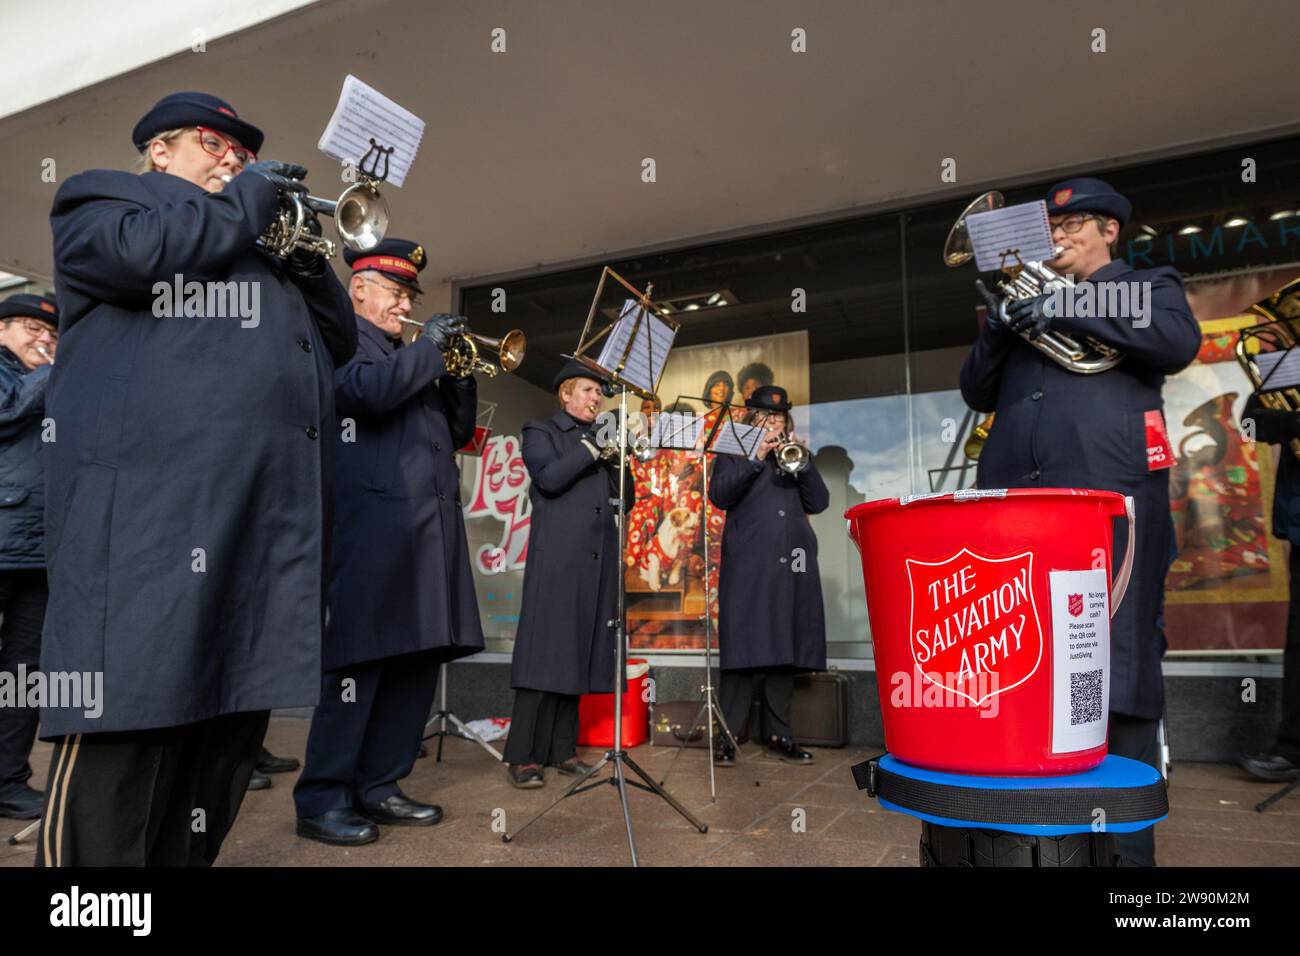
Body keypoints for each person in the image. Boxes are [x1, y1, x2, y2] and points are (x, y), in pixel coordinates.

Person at [37, 91, 356, 866]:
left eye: (243, 153)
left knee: (220, 739)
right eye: (215, 144)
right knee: (130, 725)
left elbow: (339, 343)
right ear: (159, 150)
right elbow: (141, 258)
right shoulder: (106, 197)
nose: (233, 159)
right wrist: (248, 197)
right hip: (150, 524)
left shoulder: (258, 252)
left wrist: (307, 260)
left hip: (255, 523)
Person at [959, 177, 1201, 865]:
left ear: (1109, 232)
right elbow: (976, 391)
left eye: (1073, 228)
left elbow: (1176, 341)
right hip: (1016, 504)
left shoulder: (1148, 285)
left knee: (1117, 660)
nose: (1058, 238)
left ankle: (1123, 853)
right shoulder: (1019, 299)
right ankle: (1038, 831)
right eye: (1051, 232)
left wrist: (1064, 307)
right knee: (1027, 659)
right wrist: (1004, 323)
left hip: (1110, 497)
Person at [294, 239, 484, 845]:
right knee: (360, 661)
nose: (405, 304)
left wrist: (457, 372)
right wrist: (430, 349)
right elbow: (366, 394)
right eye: (396, 292)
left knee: (413, 661)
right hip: (370, 531)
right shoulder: (339, 338)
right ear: (359, 289)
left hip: (426, 536)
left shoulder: (411, 356)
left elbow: (455, 432)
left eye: (410, 296)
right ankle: (324, 796)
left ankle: (381, 785)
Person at [503, 360, 630, 787]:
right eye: (590, 391)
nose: (597, 399)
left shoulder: (600, 443)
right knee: (543, 655)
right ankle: (523, 756)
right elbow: (551, 479)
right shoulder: (541, 431)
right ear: (566, 394)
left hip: (595, 561)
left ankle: (561, 750)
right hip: (556, 559)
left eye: (599, 393)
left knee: (574, 653)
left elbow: (626, 499)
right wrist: (594, 446)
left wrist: (623, 455)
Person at [708, 385, 829, 764]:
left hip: (792, 560)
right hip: (750, 561)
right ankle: (728, 738)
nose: (773, 420)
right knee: (742, 649)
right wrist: (756, 457)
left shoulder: (794, 451)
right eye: (765, 414)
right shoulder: (733, 444)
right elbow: (720, 495)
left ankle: (780, 735)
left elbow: (819, 501)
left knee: (783, 649)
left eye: (778, 416)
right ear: (750, 414)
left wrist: (803, 463)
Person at [0, 294, 57, 821]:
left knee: (23, 675)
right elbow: (6, 409)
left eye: (50, 332)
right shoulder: (17, 378)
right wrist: (52, 369)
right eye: (31, 328)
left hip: (39, 551)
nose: (43, 338)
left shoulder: (49, 383)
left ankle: (8, 780)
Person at [1238, 387, 1300, 782]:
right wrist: (1293, 422)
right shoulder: (1288, 365)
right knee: (1299, 641)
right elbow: (1249, 426)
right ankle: (1293, 748)